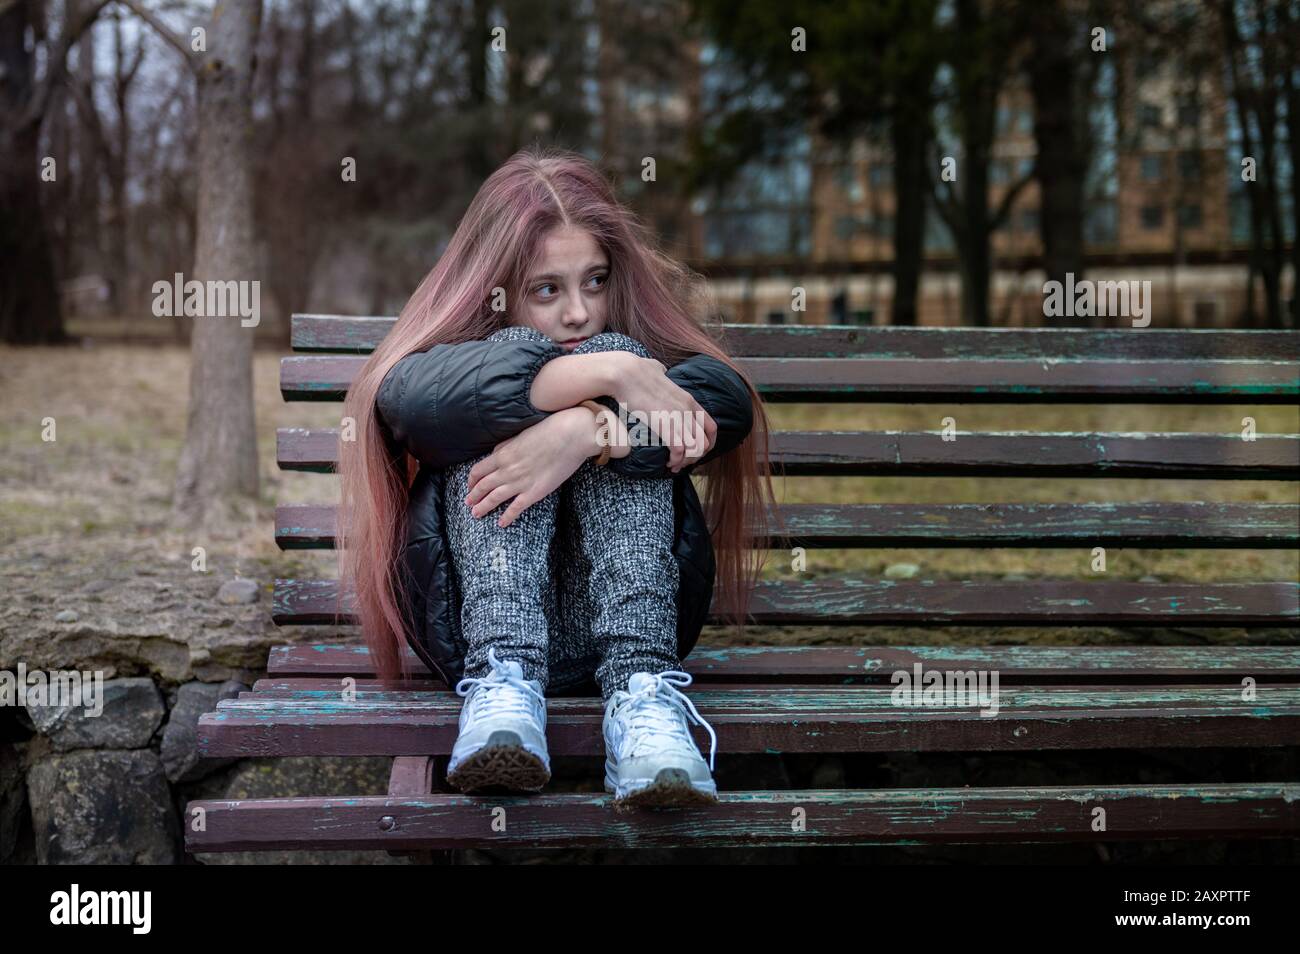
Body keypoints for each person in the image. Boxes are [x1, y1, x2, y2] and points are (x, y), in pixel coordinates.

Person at [338, 145, 784, 808]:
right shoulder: (446, 361)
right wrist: (603, 378)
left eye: (595, 282)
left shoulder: (625, 340)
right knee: (501, 374)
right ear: (492, 285)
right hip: (475, 635)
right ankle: (504, 687)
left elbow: (722, 400)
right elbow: (409, 400)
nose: (578, 312)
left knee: (618, 348)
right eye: (546, 289)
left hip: (633, 631)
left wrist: (588, 431)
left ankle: (644, 695)